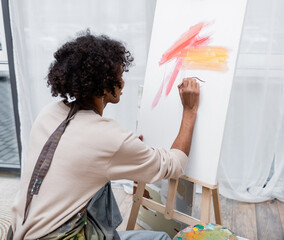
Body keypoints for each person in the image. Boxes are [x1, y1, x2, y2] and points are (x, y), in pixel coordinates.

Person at [8, 31, 200, 239]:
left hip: (19, 232)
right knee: (161, 237)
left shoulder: (49, 113)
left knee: (101, 185)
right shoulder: (108, 137)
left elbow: (86, 150)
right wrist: (189, 111)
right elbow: (174, 165)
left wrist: (126, 153)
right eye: (119, 76)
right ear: (104, 85)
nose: (123, 82)